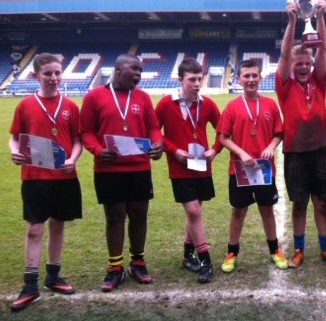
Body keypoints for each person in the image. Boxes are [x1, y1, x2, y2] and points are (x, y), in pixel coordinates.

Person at [80, 54, 164, 292]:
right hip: (109, 169)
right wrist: (98, 150)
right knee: (115, 216)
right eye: (134, 69)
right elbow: (86, 132)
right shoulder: (94, 97)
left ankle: (138, 262)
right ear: (118, 69)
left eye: (141, 70)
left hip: (139, 167)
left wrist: (158, 143)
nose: (138, 74)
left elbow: (154, 128)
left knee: (139, 215)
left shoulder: (143, 97)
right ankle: (115, 267)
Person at [8, 53, 83, 312]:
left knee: (58, 225)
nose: (53, 78)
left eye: (57, 73)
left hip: (64, 176)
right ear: (36, 75)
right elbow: (15, 137)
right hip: (34, 176)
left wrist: (73, 159)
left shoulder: (71, 106)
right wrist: (14, 151)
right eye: (48, 74)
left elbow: (77, 141)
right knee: (34, 228)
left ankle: (53, 275)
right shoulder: (26, 105)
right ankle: (30, 285)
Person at [276, 0, 326, 268]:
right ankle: (300, 249)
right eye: (299, 63)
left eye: (307, 63)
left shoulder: (319, 79)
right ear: (292, 66)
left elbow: (323, 48)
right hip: (295, 153)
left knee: (321, 201)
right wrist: (292, 20)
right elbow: (284, 52)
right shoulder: (285, 84)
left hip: (319, 151)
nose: (303, 67)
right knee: (300, 203)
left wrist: (322, 17)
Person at [217, 59, 288, 273]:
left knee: (267, 209)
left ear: (260, 77)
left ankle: (275, 250)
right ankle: (232, 252)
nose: (250, 80)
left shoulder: (270, 105)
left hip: (264, 170)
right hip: (240, 170)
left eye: (254, 76)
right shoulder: (232, 106)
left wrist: (271, 146)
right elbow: (223, 137)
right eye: (246, 76)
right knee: (238, 211)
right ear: (239, 79)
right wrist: (240, 152)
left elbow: (279, 133)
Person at [155, 57, 222, 283]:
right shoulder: (166, 104)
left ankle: (187, 255)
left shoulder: (208, 104)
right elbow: (154, 133)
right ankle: (206, 260)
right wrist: (173, 151)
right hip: (180, 167)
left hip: (202, 167)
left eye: (199, 79)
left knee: (195, 213)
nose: (196, 84)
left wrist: (215, 150)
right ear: (180, 79)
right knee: (193, 211)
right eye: (191, 80)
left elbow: (223, 130)